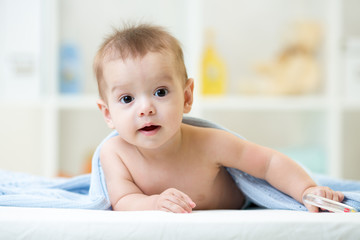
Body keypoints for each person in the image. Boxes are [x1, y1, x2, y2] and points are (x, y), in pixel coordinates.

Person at [93, 23, 344, 213]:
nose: (145, 109)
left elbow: (268, 163)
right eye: (127, 99)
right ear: (107, 114)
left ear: (187, 97)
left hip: (241, 203)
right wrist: (154, 203)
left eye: (160, 92)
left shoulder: (209, 143)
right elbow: (123, 200)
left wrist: (307, 190)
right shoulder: (114, 153)